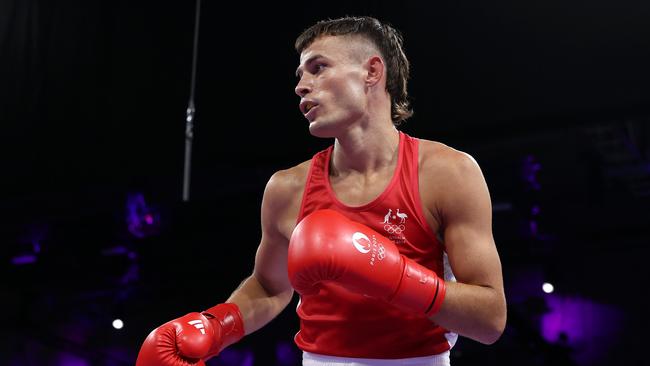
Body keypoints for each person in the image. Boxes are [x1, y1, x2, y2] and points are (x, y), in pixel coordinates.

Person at [136, 15, 507, 366]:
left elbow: (490, 320)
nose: (300, 85)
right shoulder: (288, 189)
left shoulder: (447, 173)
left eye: (318, 67)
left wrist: (396, 278)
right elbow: (268, 286)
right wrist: (216, 326)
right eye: (300, 74)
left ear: (372, 71)